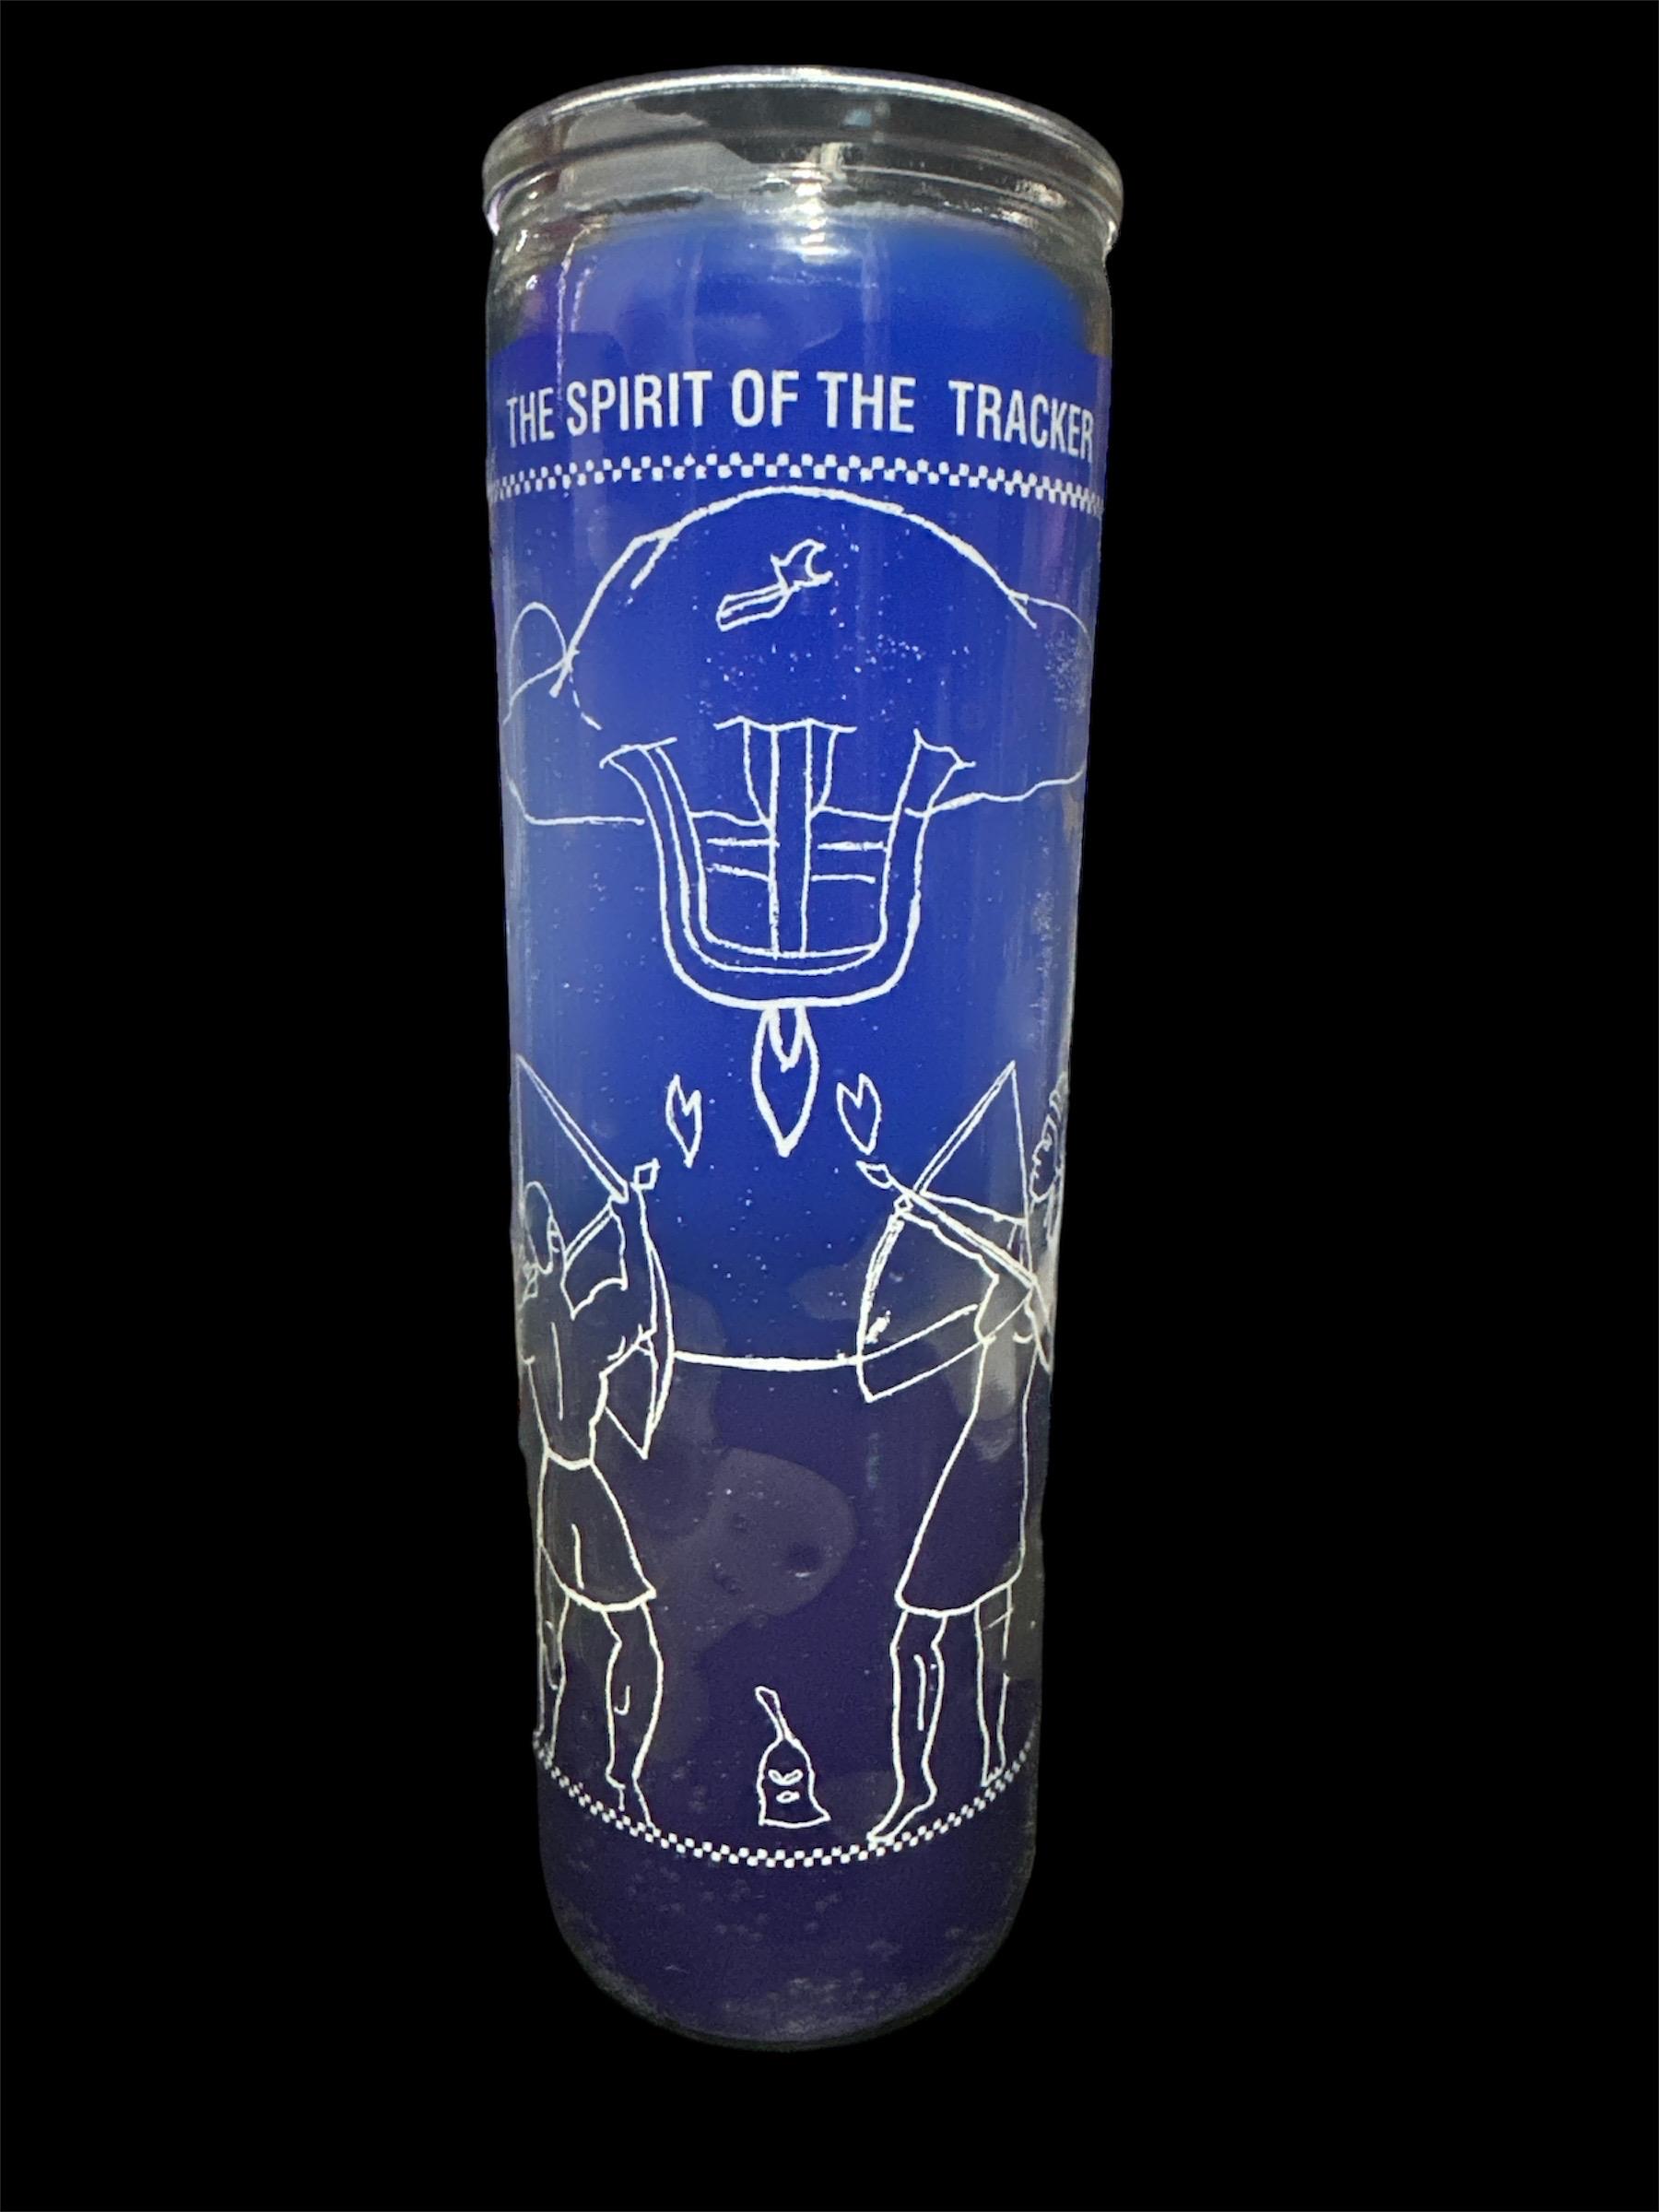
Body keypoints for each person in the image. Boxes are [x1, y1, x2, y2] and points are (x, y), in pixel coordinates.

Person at [860, 1077, 1066, 1843]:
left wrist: (920, 1205)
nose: (1036, 1171)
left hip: (994, 1466)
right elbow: (973, 1232)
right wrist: (906, 1199)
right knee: (959, 1629)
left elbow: (986, 1250)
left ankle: (946, 1789)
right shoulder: (1010, 1234)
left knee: (933, 1631)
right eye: (1035, 1162)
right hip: (979, 1463)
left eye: (1046, 1163)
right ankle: (954, 1779)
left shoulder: (1025, 1261)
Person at [514, 1061, 673, 1828]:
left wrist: (623, 1217)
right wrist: (634, 1219)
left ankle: (597, 1757)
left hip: (559, 1485)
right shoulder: (572, 1327)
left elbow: (619, 1302)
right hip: (579, 1486)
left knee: (568, 1629)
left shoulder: (544, 1312)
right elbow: (640, 1306)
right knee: (633, 1638)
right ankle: (622, 1776)